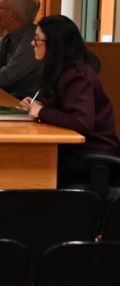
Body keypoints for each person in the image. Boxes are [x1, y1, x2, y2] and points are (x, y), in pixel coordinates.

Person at [20, 15, 120, 186]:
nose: (32, 43)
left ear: (55, 44)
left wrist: (42, 112)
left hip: (90, 157)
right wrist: (40, 106)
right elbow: (66, 108)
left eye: (37, 39)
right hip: (72, 151)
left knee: (26, 168)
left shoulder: (77, 75)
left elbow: (82, 123)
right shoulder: (63, 69)